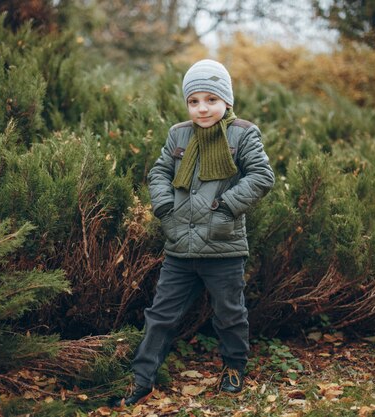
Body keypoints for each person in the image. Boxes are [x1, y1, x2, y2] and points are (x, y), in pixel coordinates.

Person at [111, 59, 275, 407]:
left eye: (211, 99)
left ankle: (233, 369)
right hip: (179, 247)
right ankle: (142, 379)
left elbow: (262, 176)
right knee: (160, 316)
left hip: (223, 246)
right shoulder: (178, 134)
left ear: (226, 101)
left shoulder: (243, 133)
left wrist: (226, 207)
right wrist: (165, 210)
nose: (202, 108)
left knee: (229, 314)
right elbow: (158, 173)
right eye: (194, 100)